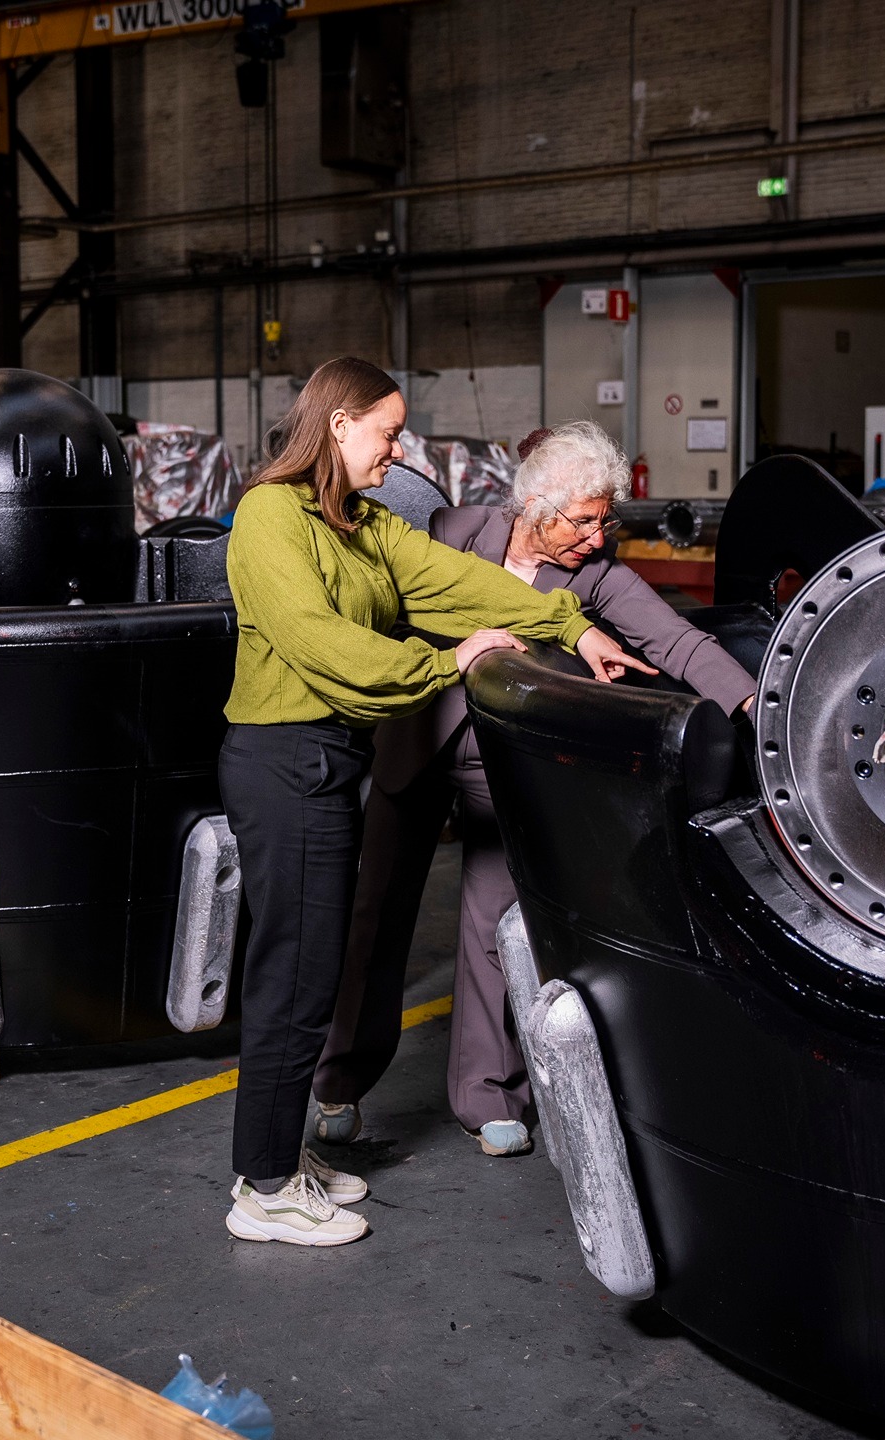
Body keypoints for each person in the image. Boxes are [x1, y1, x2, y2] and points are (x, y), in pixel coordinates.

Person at [218, 362, 652, 1247]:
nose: (397, 449)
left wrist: (571, 626)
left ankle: (277, 1159)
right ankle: (262, 1187)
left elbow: (458, 583)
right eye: (387, 432)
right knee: (293, 977)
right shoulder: (270, 516)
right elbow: (323, 646)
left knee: (312, 971)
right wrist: (445, 663)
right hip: (283, 760)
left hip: (329, 760)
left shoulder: (361, 522)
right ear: (338, 425)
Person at [311, 419, 758, 1157]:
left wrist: (754, 705)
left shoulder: (598, 574)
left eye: (604, 520)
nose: (597, 536)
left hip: (504, 763)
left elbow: (677, 640)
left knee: (496, 927)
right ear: (535, 508)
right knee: (377, 914)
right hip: (417, 739)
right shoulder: (454, 531)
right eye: (583, 521)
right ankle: (339, 1081)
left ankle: (489, 1095)